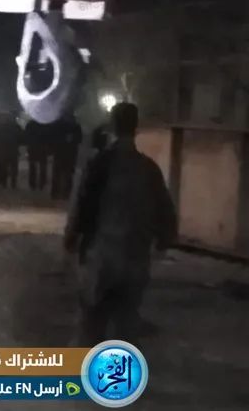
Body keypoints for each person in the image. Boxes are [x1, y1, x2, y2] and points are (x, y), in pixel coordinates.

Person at [63, 102, 177, 346]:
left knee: (91, 324)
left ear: (111, 126)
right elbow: (165, 207)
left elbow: (83, 204)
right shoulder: (148, 168)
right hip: (135, 260)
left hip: (101, 258)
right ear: (136, 128)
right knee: (125, 325)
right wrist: (165, 238)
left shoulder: (100, 164)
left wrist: (71, 238)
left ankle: (85, 367)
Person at [51, 113, 82, 200]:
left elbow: (79, 139)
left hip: (66, 153)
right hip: (64, 152)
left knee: (65, 174)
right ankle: (60, 192)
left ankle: (62, 192)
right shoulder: (73, 126)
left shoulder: (61, 126)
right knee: (62, 173)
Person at [24, 119, 49, 191]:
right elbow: (48, 136)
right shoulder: (45, 124)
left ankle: (32, 184)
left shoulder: (30, 124)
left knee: (32, 166)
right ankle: (42, 183)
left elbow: (26, 136)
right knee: (43, 166)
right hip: (42, 148)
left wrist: (28, 146)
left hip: (32, 148)